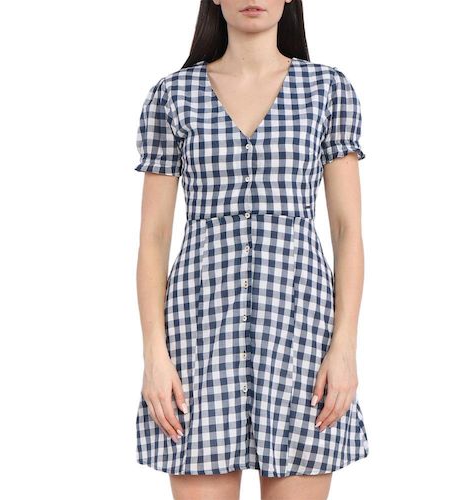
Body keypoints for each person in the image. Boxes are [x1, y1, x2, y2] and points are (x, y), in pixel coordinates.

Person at [133, 1, 369, 498]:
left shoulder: (328, 90)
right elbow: (153, 237)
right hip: (198, 339)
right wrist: (155, 353)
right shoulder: (173, 96)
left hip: (301, 338)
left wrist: (344, 347)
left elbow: (347, 230)